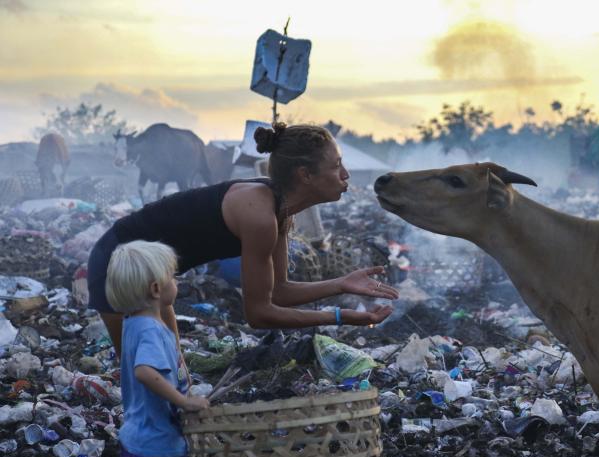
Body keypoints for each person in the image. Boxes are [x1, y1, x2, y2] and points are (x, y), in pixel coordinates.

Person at [88, 122, 399, 357]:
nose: (345, 174)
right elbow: (259, 314)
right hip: (118, 267)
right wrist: (342, 317)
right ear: (305, 175)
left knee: (174, 377)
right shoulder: (259, 215)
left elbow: (278, 291)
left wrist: (341, 284)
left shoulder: (278, 210)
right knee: (145, 373)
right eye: (336, 166)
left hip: (157, 279)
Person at [105, 240, 209, 457]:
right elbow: (145, 371)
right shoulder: (152, 330)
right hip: (157, 445)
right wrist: (183, 401)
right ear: (155, 289)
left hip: (139, 437)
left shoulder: (133, 322)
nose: (176, 282)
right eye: (172, 277)